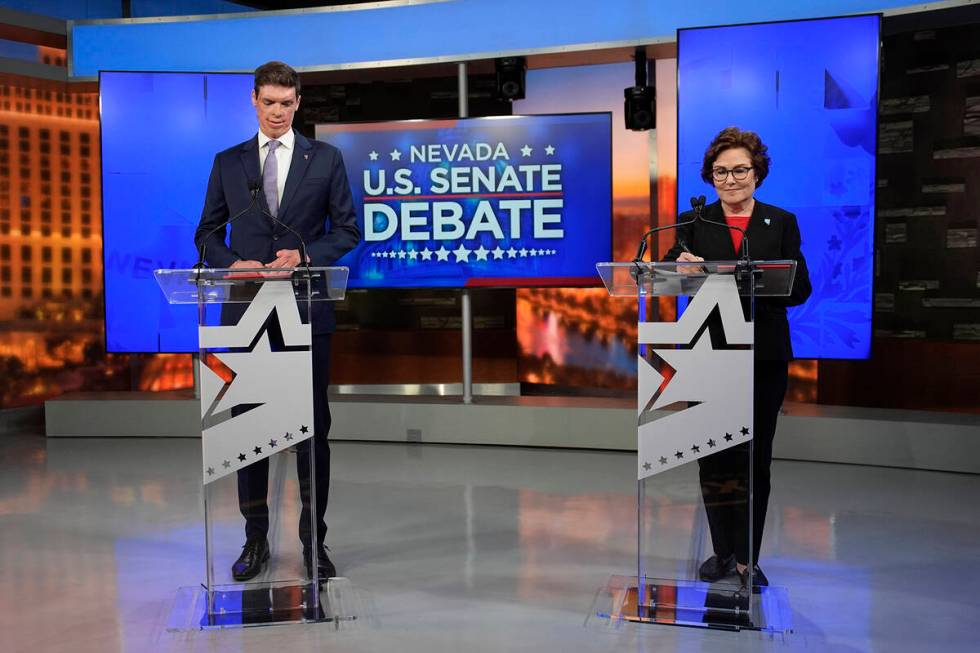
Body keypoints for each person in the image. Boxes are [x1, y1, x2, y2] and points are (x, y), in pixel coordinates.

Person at [194, 61, 361, 582]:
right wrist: (229, 263)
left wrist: (305, 252)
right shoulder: (228, 162)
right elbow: (205, 234)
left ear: (298, 103)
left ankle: (315, 542)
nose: (277, 112)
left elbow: (349, 230)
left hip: (306, 309)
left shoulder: (326, 159)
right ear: (254, 100)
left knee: (313, 433)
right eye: (269, 102)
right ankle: (254, 540)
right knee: (251, 430)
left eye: (286, 104)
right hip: (245, 312)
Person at [663, 126, 811, 588]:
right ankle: (722, 551)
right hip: (708, 351)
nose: (730, 179)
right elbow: (664, 273)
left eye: (739, 170)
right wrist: (678, 267)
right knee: (713, 456)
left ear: (757, 173)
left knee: (753, 458)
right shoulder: (695, 221)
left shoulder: (780, 222)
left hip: (763, 354)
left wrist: (761, 280)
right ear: (711, 176)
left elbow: (800, 287)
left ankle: (749, 557)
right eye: (721, 171)